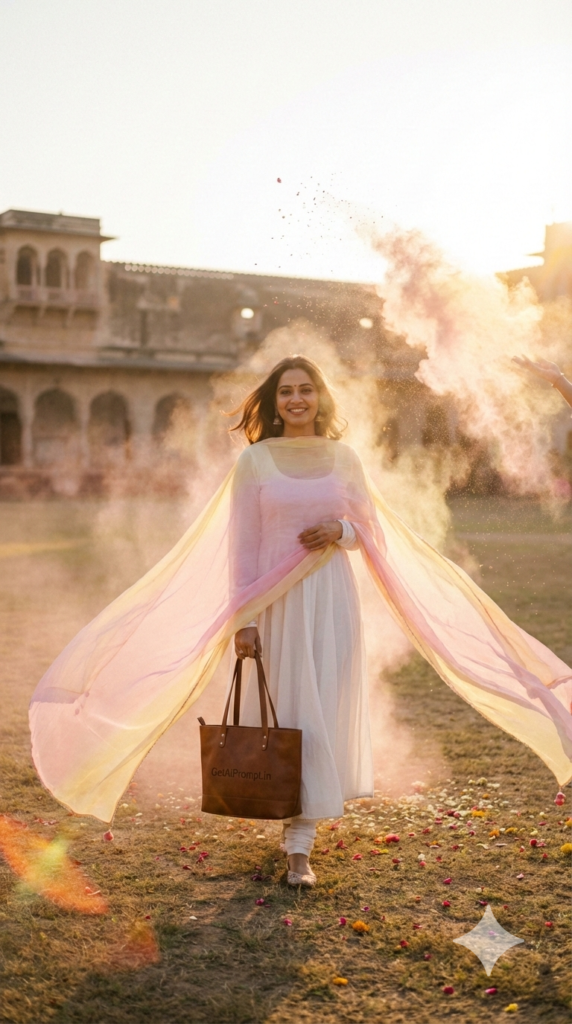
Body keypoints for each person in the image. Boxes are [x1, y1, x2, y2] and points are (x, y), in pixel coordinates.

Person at [29, 356, 572, 892]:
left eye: (306, 390)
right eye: (286, 391)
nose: (296, 399)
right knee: (290, 715)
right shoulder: (256, 462)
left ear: (321, 398)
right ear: (273, 402)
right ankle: (295, 842)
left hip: (331, 600)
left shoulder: (345, 459)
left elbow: (371, 534)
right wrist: (241, 618)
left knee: (322, 710)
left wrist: (341, 529)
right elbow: (242, 546)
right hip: (272, 604)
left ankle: (300, 843)